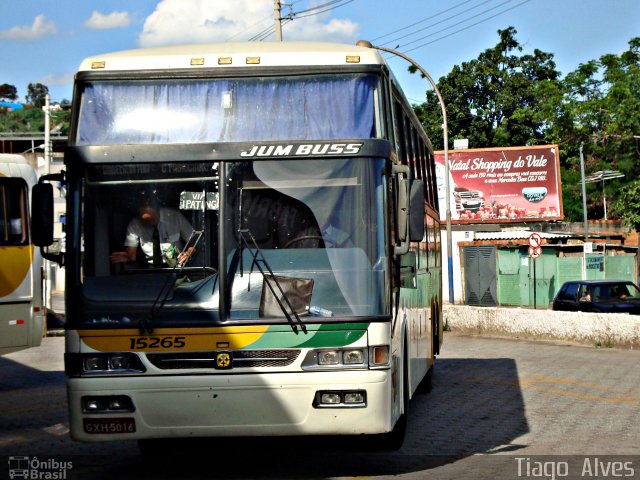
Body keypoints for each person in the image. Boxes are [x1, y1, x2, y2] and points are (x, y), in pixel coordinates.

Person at [110, 200, 194, 267]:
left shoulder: (175, 217)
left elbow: (193, 242)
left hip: (176, 265)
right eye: (145, 221)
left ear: (157, 211)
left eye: (151, 219)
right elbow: (132, 255)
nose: (149, 223)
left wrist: (187, 253)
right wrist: (129, 258)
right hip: (151, 268)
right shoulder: (135, 224)